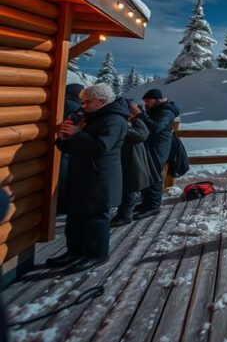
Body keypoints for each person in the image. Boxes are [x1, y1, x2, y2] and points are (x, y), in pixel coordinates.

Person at [50, 83, 128, 273]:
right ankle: (74, 252)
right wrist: (64, 138)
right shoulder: (91, 116)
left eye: (87, 102)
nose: (83, 105)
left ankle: (97, 255)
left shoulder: (114, 119)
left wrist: (76, 135)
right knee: (75, 217)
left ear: (101, 102)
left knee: (96, 219)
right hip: (83, 176)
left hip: (100, 178)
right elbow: (73, 147)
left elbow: (100, 147)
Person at [130, 88, 180, 219]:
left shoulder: (166, 112)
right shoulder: (157, 110)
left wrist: (140, 114)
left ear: (157, 100)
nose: (146, 104)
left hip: (159, 148)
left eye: (148, 101)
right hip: (152, 146)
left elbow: (156, 127)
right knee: (148, 173)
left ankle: (154, 206)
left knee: (155, 175)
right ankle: (147, 203)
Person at [111, 98, 152, 227]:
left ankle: (124, 215)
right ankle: (123, 214)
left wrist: (135, 118)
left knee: (129, 188)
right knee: (129, 187)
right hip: (130, 158)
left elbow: (142, 134)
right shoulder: (125, 121)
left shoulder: (121, 123)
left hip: (131, 159)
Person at [56, 83, 85, 217]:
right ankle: (62, 206)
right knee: (65, 177)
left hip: (61, 145)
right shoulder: (75, 108)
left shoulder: (62, 104)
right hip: (68, 148)